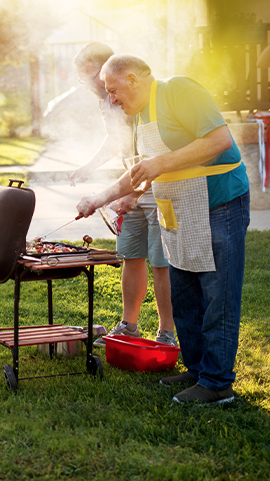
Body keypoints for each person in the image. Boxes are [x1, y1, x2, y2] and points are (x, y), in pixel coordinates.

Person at [76, 54, 250, 405]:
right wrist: (102, 197)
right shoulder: (140, 115)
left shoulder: (179, 90)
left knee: (218, 297)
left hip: (219, 206)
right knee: (185, 294)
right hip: (179, 209)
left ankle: (217, 383)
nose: (110, 99)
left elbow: (219, 140)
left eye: (113, 89)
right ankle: (198, 369)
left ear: (133, 80)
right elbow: (142, 172)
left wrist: (159, 164)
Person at [69, 42, 177, 347]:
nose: (93, 87)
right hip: (130, 188)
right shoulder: (107, 101)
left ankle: (167, 333)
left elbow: (151, 147)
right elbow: (117, 142)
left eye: (92, 79)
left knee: (160, 262)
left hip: (155, 188)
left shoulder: (133, 97)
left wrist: (133, 192)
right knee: (131, 255)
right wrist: (88, 167)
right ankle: (129, 325)